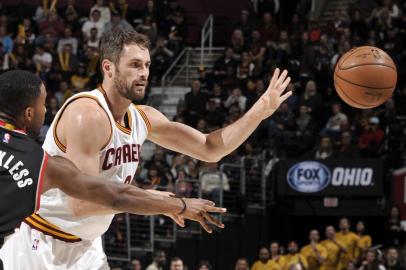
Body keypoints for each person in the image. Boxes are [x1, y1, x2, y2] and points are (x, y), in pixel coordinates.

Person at [3, 28, 291, 269]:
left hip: (87, 246)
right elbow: (83, 204)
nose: (144, 73)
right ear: (108, 67)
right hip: (41, 244)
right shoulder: (87, 113)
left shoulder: (143, 118)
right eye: (135, 65)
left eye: (147, 65)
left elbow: (210, 148)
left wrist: (259, 111)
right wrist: (164, 203)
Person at [0, 70, 225, 269]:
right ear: (29, 114)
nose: (46, 109)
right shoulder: (38, 162)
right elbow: (108, 197)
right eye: (44, 103)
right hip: (39, 243)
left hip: (81, 245)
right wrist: (179, 204)